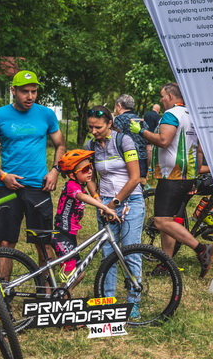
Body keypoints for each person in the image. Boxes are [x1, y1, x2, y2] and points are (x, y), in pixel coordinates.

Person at [131, 83, 213, 278]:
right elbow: (199, 149)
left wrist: (141, 131)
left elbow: (163, 141)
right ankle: (166, 263)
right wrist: (195, 173)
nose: (161, 100)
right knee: (169, 220)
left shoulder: (171, 114)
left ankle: (202, 249)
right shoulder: (191, 114)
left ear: (170, 96)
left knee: (161, 221)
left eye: (162, 96)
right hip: (186, 174)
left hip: (172, 175)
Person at [0, 70, 66, 267]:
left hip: (38, 187)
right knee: (5, 243)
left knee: (44, 244)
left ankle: (46, 286)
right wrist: (2, 176)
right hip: (8, 188)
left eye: (33, 91)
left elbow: (60, 144)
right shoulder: (0, 115)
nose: (30, 96)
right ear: (13, 91)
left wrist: (54, 171)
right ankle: (3, 287)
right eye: (24, 91)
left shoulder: (46, 114)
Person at [85, 106, 144, 317]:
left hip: (130, 201)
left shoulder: (124, 141)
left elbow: (135, 177)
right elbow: (89, 177)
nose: (94, 131)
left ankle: (133, 302)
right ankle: (107, 301)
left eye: (98, 127)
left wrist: (116, 202)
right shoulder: (90, 145)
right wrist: (98, 200)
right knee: (108, 254)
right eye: (90, 127)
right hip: (105, 203)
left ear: (110, 123)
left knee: (130, 251)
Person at [53, 149, 119, 284]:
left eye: (90, 167)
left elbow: (89, 195)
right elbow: (82, 197)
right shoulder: (71, 186)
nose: (90, 172)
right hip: (62, 235)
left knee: (79, 274)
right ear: (72, 175)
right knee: (71, 275)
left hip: (69, 234)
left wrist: (100, 205)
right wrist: (104, 207)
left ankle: (63, 293)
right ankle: (61, 295)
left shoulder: (79, 185)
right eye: (85, 169)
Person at [113, 94, 149, 180]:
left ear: (119, 106)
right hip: (142, 160)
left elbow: (115, 139)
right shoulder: (142, 121)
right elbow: (148, 145)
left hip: (127, 159)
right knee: (140, 183)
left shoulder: (119, 119)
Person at [143, 103, 161, 174]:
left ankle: (146, 166)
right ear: (158, 110)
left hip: (145, 134)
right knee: (151, 151)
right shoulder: (157, 116)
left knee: (147, 149)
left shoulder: (146, 114)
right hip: (153, 135)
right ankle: (151, 165)